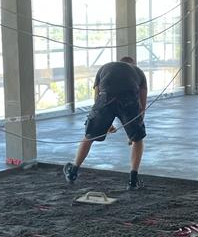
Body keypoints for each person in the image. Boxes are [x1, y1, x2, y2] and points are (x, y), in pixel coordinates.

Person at [63, 56, 147, 191]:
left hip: (105, 98)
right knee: (138, 140)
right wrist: (135, 131)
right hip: (128, 99)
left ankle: (73, 171)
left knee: (89, 136)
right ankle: (133, 180)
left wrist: (106, 123)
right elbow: (142, 104)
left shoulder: (105, 67)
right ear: (133, 64)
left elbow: (97, 97)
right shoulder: (138, 72)